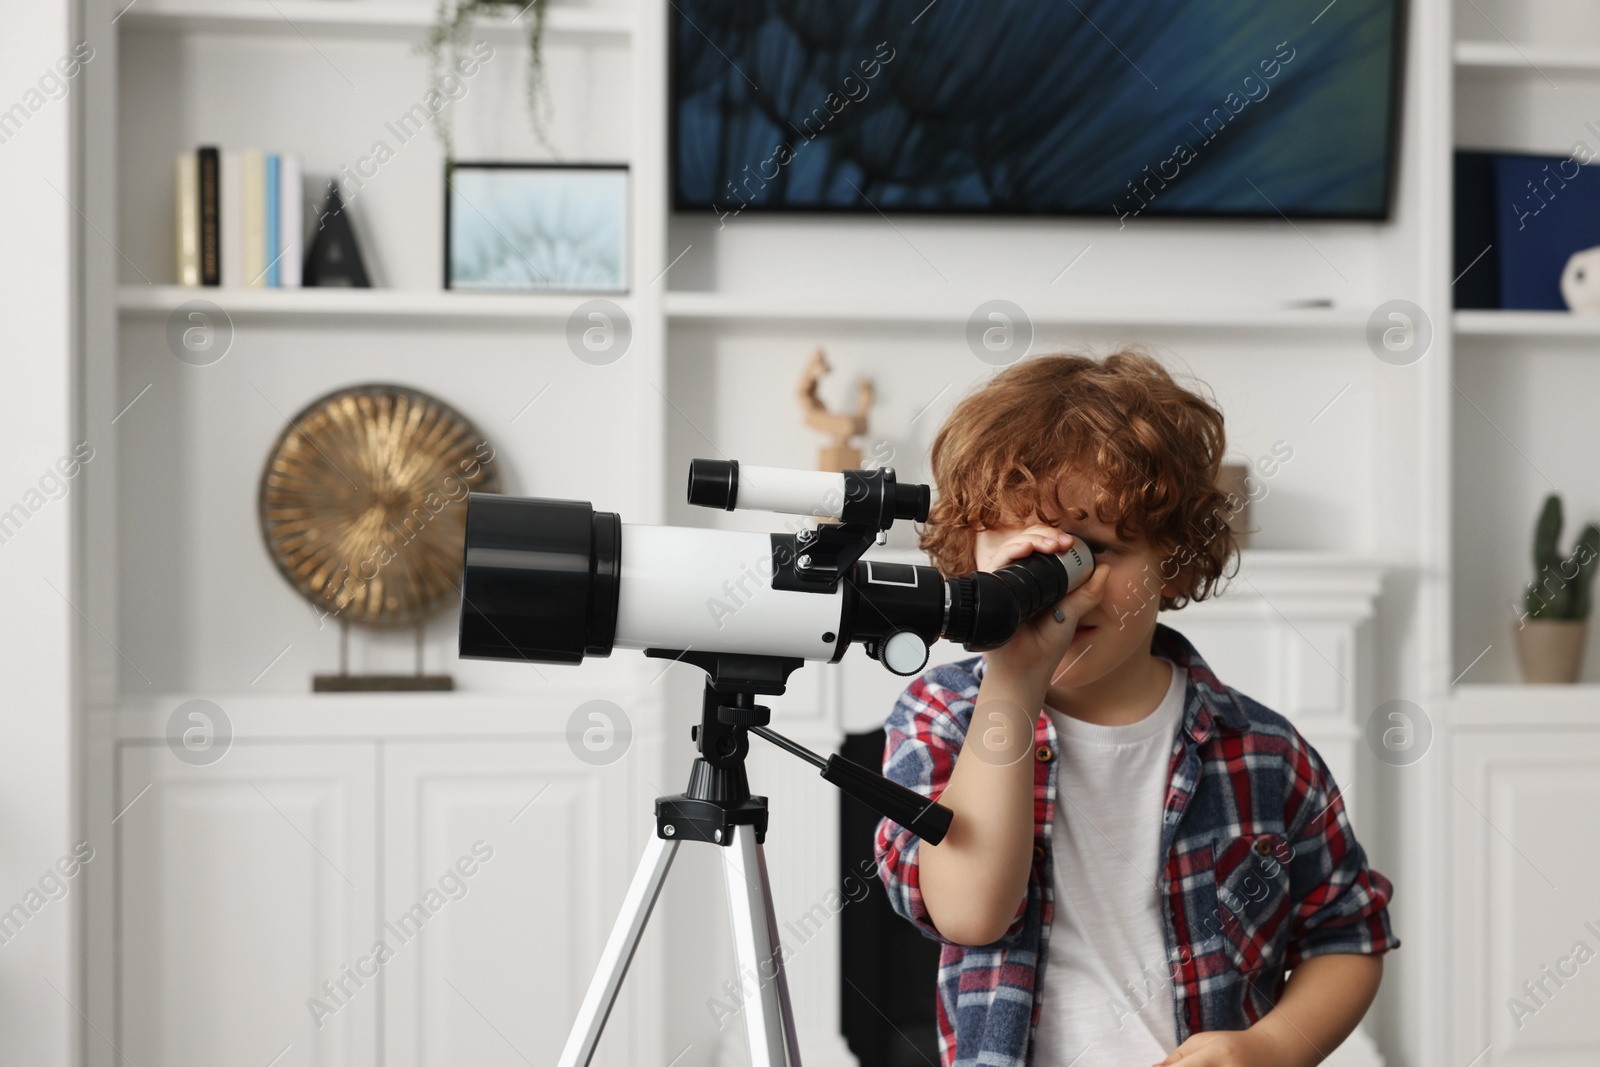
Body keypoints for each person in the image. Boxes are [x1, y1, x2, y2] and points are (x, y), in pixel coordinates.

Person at [872, 351, 1398, 1067]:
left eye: (1096, 552)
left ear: (1173, 558)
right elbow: (969, 910)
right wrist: (1015, 675)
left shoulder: (1265, 752)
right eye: (1025, 552)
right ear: (969, 556)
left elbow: (1348, 934)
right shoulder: (942, 715)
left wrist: (1271, 1047)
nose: (1058, 588)